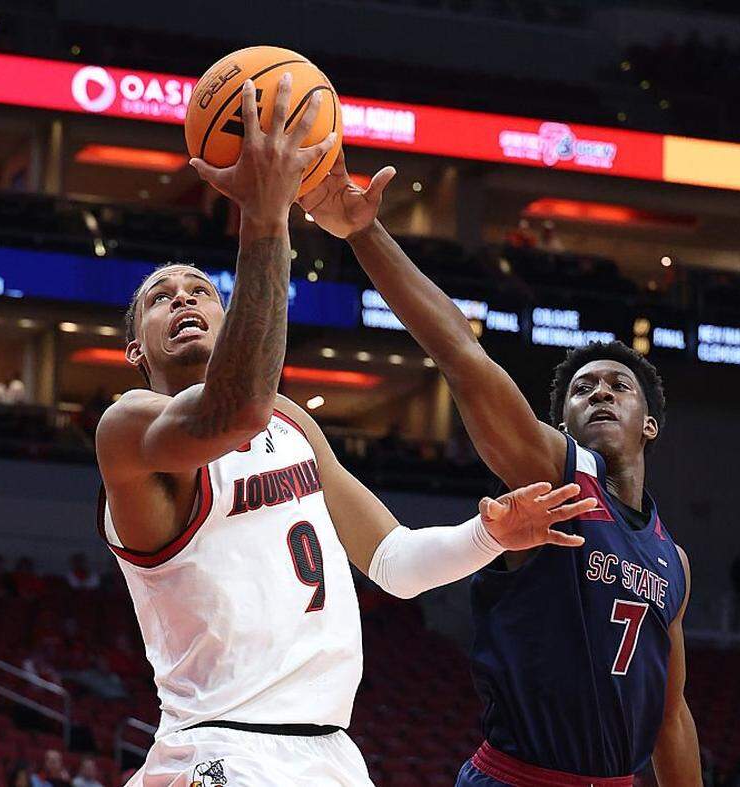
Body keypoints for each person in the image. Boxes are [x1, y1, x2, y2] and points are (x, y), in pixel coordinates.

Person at [96, 75, 594, 785]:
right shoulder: (128, 428)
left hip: (331, 752)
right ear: (137, 350)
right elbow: (231, 411)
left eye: (201, 290)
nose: (183, 298)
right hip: (221, 749)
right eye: (160, 298)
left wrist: (489, 536)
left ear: (227, 312)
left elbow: (393, 561)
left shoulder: (293, 422)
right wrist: (265, 219)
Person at [300, 149, 700, 785]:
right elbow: (461, 354)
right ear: (560, 423)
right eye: (582, 388)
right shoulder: (555, 472)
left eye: (618, 386)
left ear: (650, 423)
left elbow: (671, 716)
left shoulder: (670, 558)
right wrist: (366, 234)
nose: (599, 392)